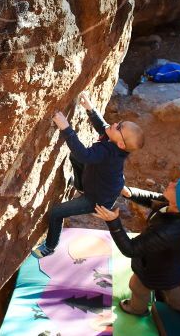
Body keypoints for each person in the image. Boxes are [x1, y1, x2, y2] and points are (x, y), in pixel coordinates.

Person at [32, 91, 145, 259]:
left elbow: (83, 155)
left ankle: (50, 246)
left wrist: (66, 128)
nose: (114, 124)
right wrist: (90, 109)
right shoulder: (116, 142)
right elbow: (104, 127)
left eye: (119, 127)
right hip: (103, 184)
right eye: (120, 122)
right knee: (74, 159)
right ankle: (81, 186)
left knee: (56, 212)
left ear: (120, 143)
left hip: (97, 200)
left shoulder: (107, 151)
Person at [93, 178, 180, 316]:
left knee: (137, 287)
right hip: (170, 268)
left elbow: (131, 249)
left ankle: (137, 310)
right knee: (172, 290)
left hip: (154, 270)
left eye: (176, 188)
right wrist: (129, 193)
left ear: (179, 204)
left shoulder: (168, 230)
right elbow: (153, 199)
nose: (171, 183)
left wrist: (113, 222)